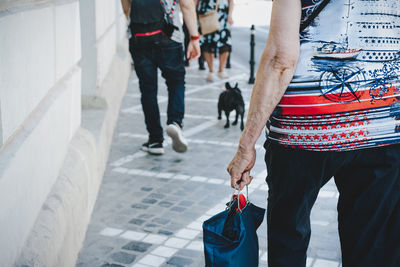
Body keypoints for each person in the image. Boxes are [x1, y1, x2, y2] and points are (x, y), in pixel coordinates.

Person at [227, 0, 400, 266]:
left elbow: (280, 59)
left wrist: (246, 146)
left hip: (302, 126)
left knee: (288, 232)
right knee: (372, 245)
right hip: (381, 123)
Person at [122, 0, 201, 155]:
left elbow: (126, 6)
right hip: (169, 35)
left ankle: (155, 140)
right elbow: (186, 5)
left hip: (139, 38)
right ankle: (175, 122)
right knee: (176, 82)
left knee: (148, 90)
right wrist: (194, 38)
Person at [197, 0, 234, 82]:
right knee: (207, 43)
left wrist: (230, 15)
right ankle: (211, 71)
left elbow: (231, 1)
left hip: (222, 14)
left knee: (225, 42)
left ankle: (221, 69)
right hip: (205, 14)